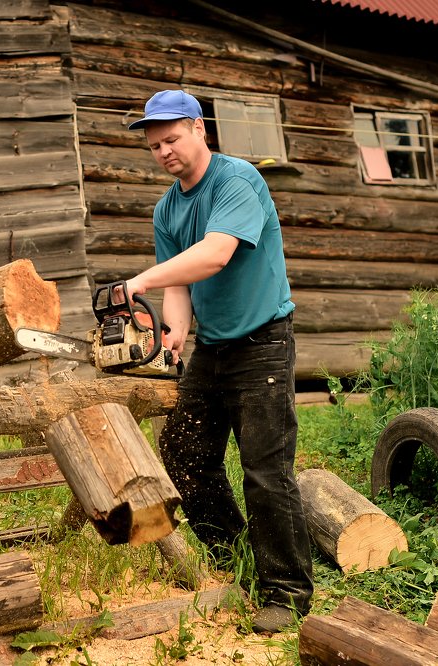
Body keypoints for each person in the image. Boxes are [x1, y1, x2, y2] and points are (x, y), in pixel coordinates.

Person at [122, 89, 315, 634]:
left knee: (265, 469)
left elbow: (215, 253)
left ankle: (287, 592)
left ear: (198, 128)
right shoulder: (167, 208)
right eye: (155, 146)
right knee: (183, 453)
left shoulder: (237, 180)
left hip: (263, 342)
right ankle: (236, 559)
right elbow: (180, 285)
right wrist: (174, 333)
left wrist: (138, 281)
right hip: (213, 347)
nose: (164, 152)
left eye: (171, 139)